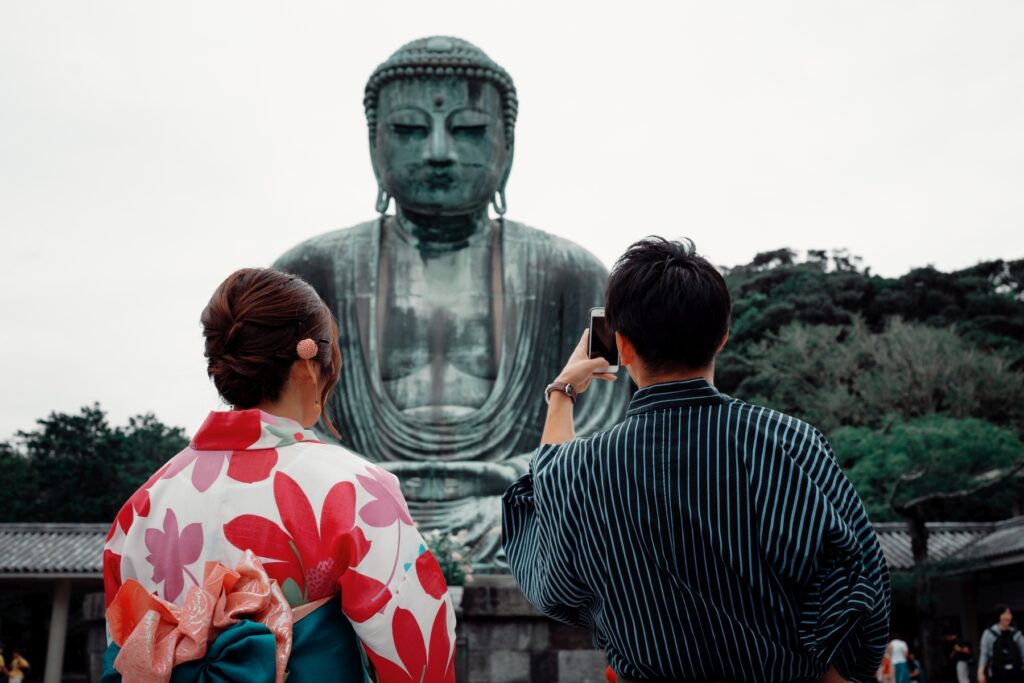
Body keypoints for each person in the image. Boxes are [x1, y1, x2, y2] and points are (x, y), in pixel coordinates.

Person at [274, 36, 629, 564]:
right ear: (376, 145)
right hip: (348, 504)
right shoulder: (306, 272)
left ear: (506, 146)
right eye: (409, 130)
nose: (438, 152)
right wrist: (362, 490)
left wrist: (518, 492)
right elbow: (278, 421)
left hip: (509, 511)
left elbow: (609, 421)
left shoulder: (579, 274)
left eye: (468, 130)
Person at [502, 237, 891, 682]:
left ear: (622, 346)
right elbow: (861, 582)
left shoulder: (578, 470)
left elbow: (551, 565)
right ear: (722, 337)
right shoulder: (788, 441)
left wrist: (561, 395)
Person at [103, 268, 455, 682]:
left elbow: (126, 644)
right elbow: (420, 652)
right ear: (311, 362)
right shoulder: (355, 490)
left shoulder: (142, 504)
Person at [979, 604, 1024, 683]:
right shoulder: (989, 633)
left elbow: (1023, 651)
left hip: (1015, 672)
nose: (1007, 616)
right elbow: (984, 654)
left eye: (1009, 614)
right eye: (1004, 613)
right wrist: (980, 672)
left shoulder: (1017, 634)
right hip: (997, 672)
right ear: (998, 615)